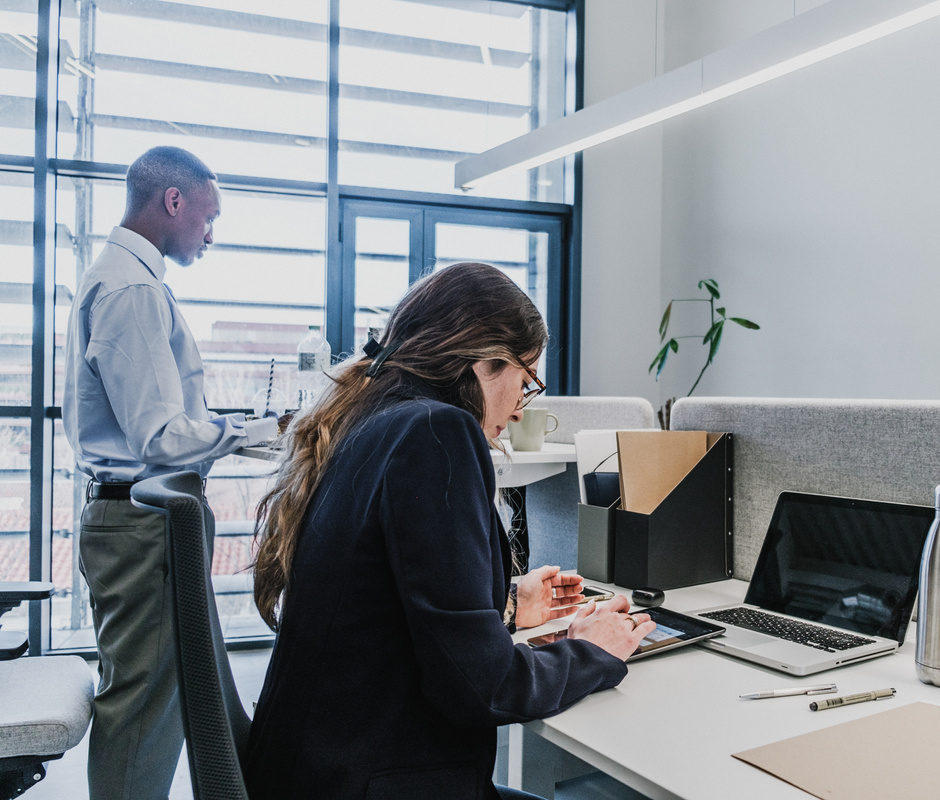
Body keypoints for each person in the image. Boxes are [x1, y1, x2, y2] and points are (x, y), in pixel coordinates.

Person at [244, 262, 655, 800]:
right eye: (527, 381)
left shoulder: (370, 420)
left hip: (318, 769)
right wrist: (590, 650)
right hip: (375, 781)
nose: (517, 410)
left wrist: (506, 606)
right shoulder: (437, 431)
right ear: (487, 361)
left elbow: (378, 601)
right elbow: (479, 688)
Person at [62, 146, 280, 800]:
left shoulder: (129, 279)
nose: (210, 235)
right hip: (138, 522)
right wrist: (260, 432)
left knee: (155, 700)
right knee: (142, 707)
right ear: (173, 201)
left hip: (133, 517)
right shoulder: (132, 290)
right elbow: (159, 435)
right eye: (207, 218)